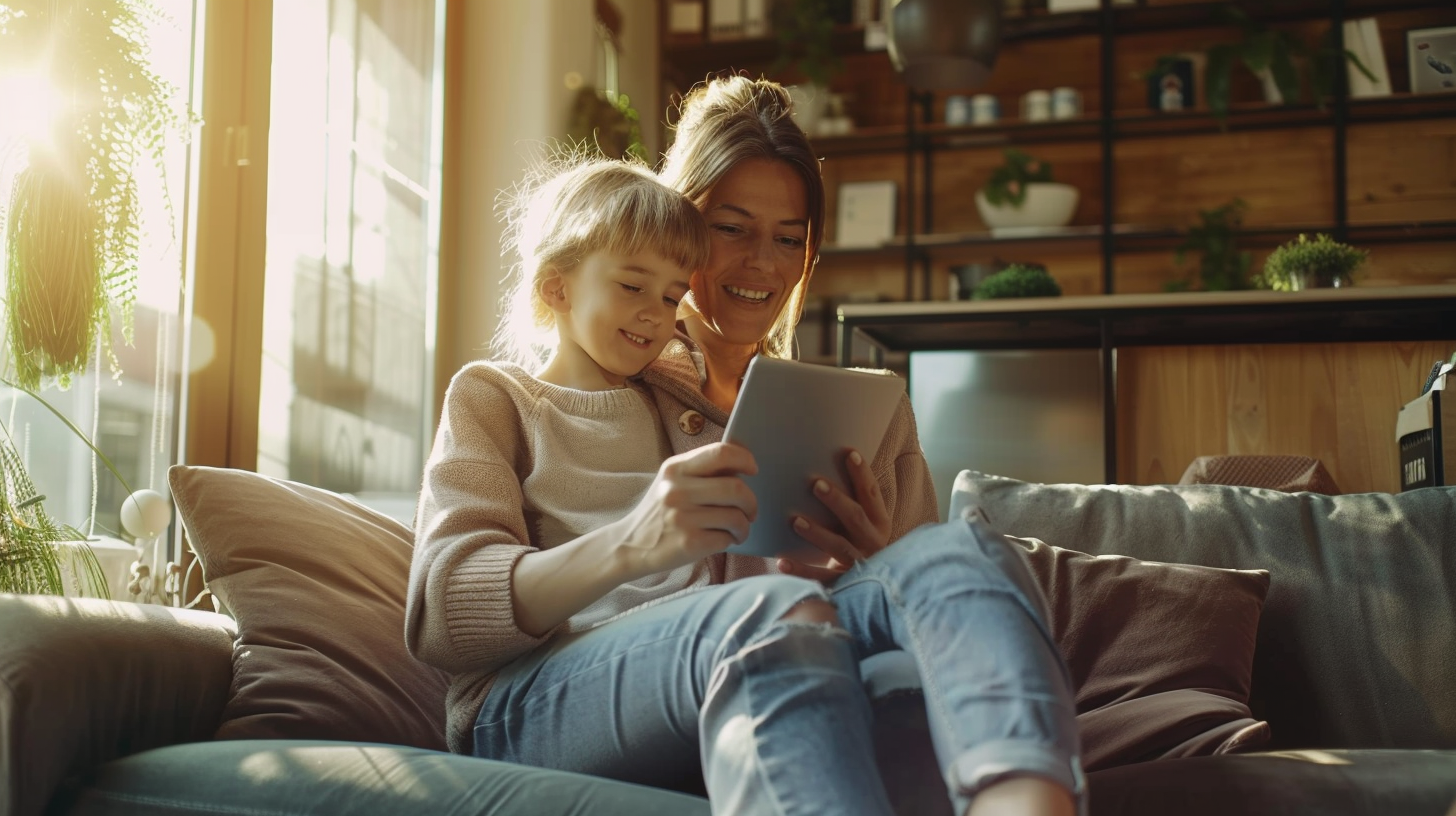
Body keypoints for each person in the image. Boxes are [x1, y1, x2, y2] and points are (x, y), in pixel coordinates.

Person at [408, 127, 1081, 816]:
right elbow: (440, 618)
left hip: (711, 660)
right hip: (534, 703)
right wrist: (630, 543)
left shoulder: (693, 398)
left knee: (961, 551)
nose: (656, 315)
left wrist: (878, 562)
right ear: (557, 286)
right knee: (770, 613)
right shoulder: (497, 396)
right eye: (729, 229)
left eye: (669, 296)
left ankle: (1020, 799)